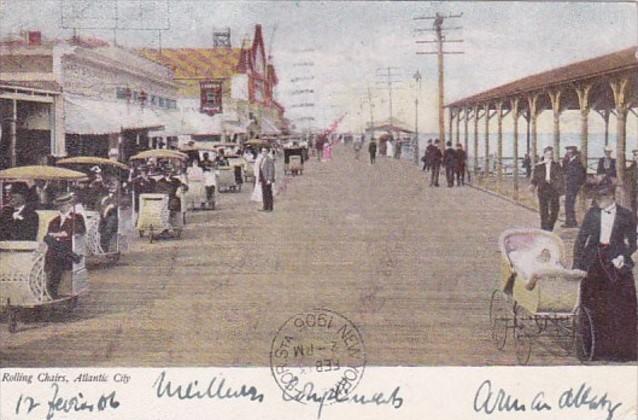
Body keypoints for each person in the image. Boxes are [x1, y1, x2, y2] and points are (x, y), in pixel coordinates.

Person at [573, 183, 637, 361]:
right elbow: (581, 239)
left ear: (611, 198)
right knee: (592, 303)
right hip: (594, 259)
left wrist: (623, 256)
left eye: (602, 198)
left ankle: (622, 351)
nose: (598, 201)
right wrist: (578, 265)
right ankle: (591, 349)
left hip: (616, 260)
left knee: (621, 303)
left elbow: (633, 241)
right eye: (597, 198)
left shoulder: (626, 215)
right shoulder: (592, 213)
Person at [44, 192, 86, 298]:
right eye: (60, 205)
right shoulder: (54, 221)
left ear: (70, 205)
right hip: (58, 252)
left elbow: (79, 231)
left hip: (69, 248)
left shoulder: (77, 218)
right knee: (50, 242)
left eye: (65, 204)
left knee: (58, 258)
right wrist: (61, 235)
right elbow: (49, 236)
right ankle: (71, 256)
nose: (63, 207)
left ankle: (52, 290)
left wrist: (60, 235)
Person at [530, 146, 564, 231]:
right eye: (548, 154)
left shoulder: (557, 165)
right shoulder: (539, 166)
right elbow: (535, 178)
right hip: (543, 188)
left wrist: (562, 192)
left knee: (554, 211)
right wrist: (532, 185)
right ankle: (544, 229)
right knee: (543, 211)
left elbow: (561, 178)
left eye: (551, 154)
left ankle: (550, 226)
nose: (550, 156)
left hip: (553, 189)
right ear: (544, 154)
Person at [561, 145, 587, 228]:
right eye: (568, 152)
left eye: (570, 152)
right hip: (568, 185)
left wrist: (577, 184)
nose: (568, 154)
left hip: (573, 186)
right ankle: (570, 221)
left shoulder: (577, 162)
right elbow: (564, 170)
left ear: (573, 153)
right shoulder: (568, 161)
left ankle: (571, 222)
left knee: (569, 203)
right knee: (568, 204)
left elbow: (582, 174)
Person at [260, 147, 276, 212]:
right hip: (263, 178)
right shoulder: (262, 159)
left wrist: (269, 179)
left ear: (267, 152)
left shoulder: (269, 159)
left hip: (267, 178)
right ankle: (265, 206)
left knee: (268, 193)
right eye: (262, 151)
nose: (263, 153)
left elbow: (271, 170)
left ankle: (270, 207)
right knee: (264, 193)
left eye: (264, 151)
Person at [627, 149, 638, 217]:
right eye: (635, 155)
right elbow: (627, 174)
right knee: (633, 205)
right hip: (633, 190)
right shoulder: (631, 167)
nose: (637, 157)